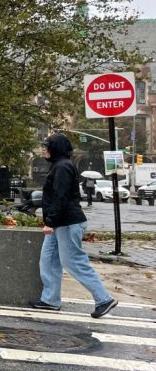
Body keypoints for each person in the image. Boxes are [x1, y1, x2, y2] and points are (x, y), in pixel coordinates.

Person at [30, 133, 117, 318]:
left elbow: (61, 197)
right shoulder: (59, 166)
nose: (44, 149)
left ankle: (104, 299)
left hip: (68, 222)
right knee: (48, 261)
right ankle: (50, 300)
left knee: (74, 261)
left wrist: (50, 222)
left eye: (47, 146)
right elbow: (54, 195)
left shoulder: (63, 167)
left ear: (57, 148)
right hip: (60, 222)